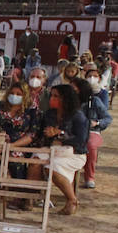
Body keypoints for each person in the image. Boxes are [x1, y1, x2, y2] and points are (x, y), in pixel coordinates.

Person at [40, 83, 88, 216]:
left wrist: (59, 134)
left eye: (56, 96)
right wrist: (48, 133)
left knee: (52, 167)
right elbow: (44, 133)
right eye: (52, 96)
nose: (52, 99)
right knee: (36, 160)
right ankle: (32, 199)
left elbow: (81, 140)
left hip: (74, 154)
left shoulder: (78, 116)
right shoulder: (50, 114)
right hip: (53, 149)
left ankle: (72, 200)